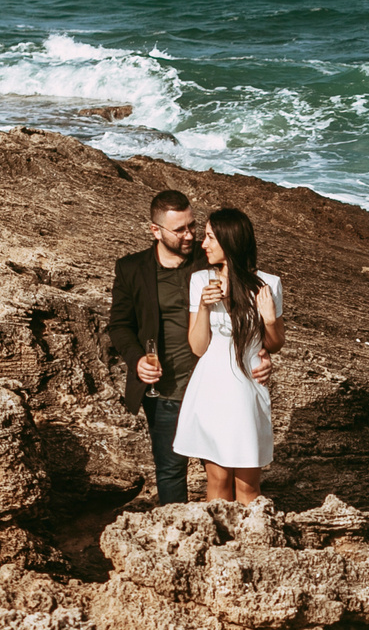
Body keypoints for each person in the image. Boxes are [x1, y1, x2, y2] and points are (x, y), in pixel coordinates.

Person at [104, 189, 211, 503]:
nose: (189, 235)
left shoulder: (209, 259)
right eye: (180, 230)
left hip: (211, 384)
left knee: (220, 468)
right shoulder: (131, 268)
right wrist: (137, 359)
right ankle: (177, 530)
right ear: (156, 230)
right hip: (164, 391)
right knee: (170, 471)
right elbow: (119, 325)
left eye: (192, 226)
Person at [172, 206, 283, 502]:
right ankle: (218, 532)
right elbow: (198, 347)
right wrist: (204, 307)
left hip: (248, 385)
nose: (203, 244)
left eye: (210, 237)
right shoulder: (201, 280)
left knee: (248, 486)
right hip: (211, 384)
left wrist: (269, 319)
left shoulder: (269, 284)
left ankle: (253, 532)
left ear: (230, 241)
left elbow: (274, 344)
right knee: (218, 480)